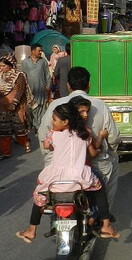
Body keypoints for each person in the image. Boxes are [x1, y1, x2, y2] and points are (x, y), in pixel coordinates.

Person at [15, 102, 118, 243]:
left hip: (55, 179)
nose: (52, 122)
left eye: (54, 120)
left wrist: (54, 144)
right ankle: (106, 225)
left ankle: (31, 230)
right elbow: (93, 152)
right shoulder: (85, 133)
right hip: (80, 179)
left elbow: (47, 146)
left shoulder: (53, 134)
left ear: (65, 122)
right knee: (99, 189)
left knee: (39, 198)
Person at [39, 67, 121, 210]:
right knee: (112, 167)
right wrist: (108, 150)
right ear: (89, 84)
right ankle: (104, 221)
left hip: (57, 166)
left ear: (68, 86)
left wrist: (50, 155)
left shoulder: (55, 105)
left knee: (44, 198)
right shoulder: (100, 105)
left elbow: (42, 136)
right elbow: (113, 138)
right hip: (93, 165)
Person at [0, 55, 32, 159]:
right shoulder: (1, 76)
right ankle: (6, 152)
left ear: (10, 65)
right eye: (0, 66)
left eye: (3, 66)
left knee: (19, 127)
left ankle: (25, 142)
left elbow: (20, 90)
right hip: (3, 105)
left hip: (16, 105)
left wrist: (14, 103)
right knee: (4, 128)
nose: (1, 68)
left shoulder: (19, 75)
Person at [21, 44, 51, 133]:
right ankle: (32, 124)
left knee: (40, 109)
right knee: (31, 109)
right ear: (33, 51)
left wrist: (48, 87)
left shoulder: (43, 62)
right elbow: (23, 76)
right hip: (29, 91)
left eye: (41, 51)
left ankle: (39, 127)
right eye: (39, 51)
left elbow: (47, 76)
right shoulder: (25, 62)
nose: (40, 52)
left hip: (41, 90)